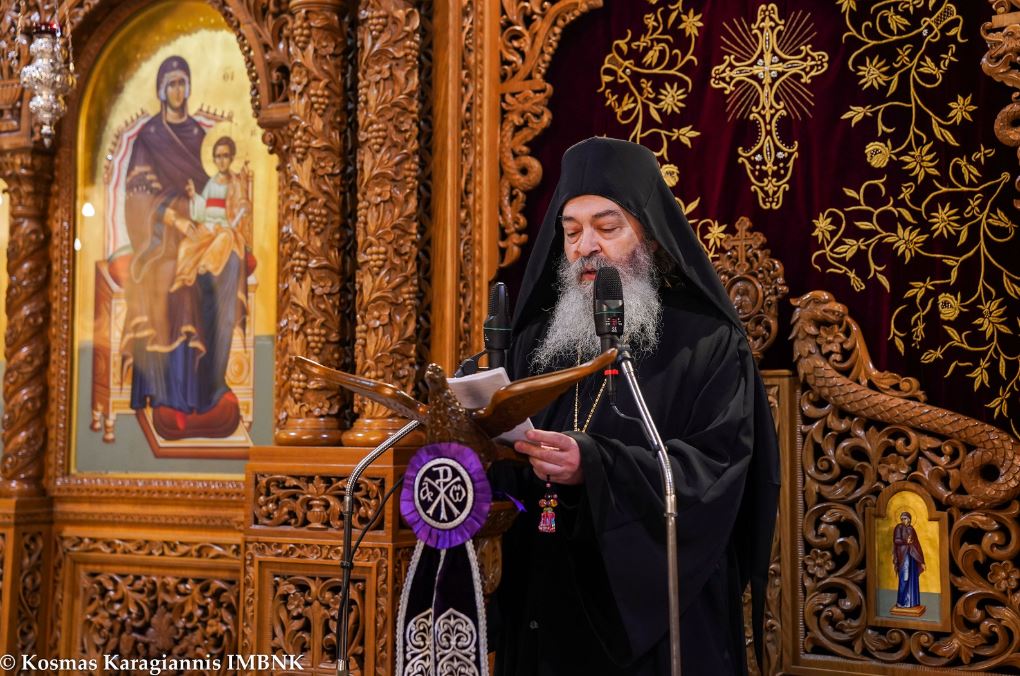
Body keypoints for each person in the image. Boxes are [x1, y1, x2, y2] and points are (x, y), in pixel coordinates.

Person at [490, 137, 780, 675]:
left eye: (607, 227)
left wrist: (596, 464)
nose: (586, 247)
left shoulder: (707, 342)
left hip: (658, 616)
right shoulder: (536, 343)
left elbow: (716, 471)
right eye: (571, 231)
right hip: (548, 603)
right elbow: (511, 476)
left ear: (648, 234)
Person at [120, 56, 244, 440]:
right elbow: (137, 197)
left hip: (202, 227)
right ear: (162, 90)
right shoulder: (149, 138)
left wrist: (211, 214)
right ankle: (173, 395)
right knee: (175, 278)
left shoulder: (200, 137)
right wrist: (174, 219)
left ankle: (212, 383)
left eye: (182, 83)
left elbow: (215, 189)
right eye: (171, 84)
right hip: (161, 235)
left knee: (231, 263)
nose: (177, 91)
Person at [893, 512, 925, 609]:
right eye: (902, 519)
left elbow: (917, 544)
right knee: (904, 578)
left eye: (905, 518)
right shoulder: (899, 527)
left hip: (912, 556)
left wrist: (922, 561)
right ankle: (901, 602)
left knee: (912, 578)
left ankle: (912, 603)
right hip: (903, 556)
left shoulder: (912, 529)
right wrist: (905, 541)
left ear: (909, 519)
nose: (904, 520)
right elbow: (896, 540)